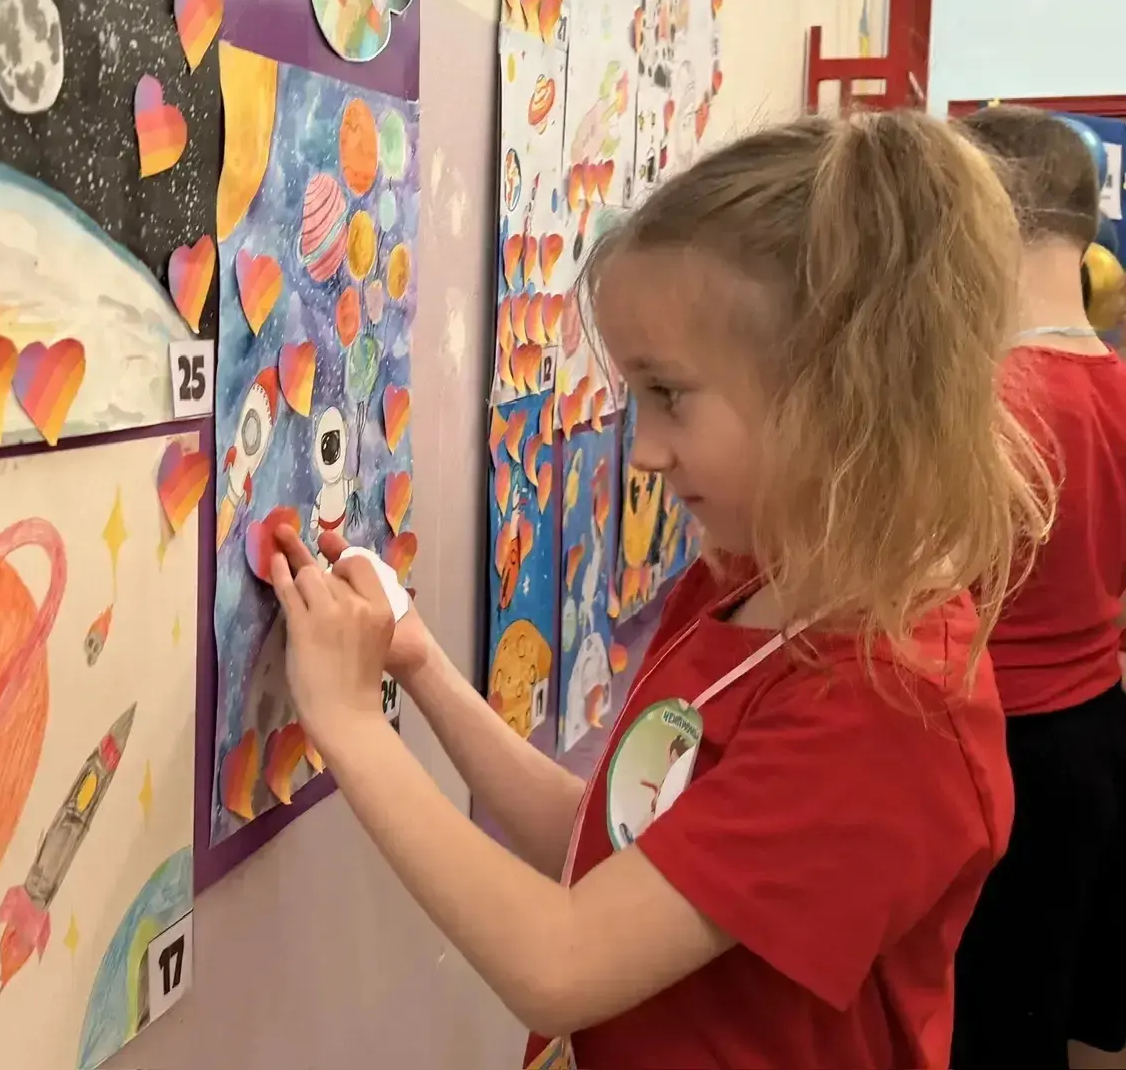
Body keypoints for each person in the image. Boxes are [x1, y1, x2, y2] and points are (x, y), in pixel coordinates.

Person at [265, 112, 1050, 1068]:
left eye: (669, 395)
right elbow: (603, 844)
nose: (642, 450)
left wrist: (350, 725)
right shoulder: (745, 589)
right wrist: (420, 664)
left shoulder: (892, 708)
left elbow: (560, 960)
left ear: (837, 393)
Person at [950, 106, 1126, 1070]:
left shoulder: (977, 404)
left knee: (987, 1019)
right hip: (1096, 738)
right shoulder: (1116, 389)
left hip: (988, 746)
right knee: (1050, 1001)